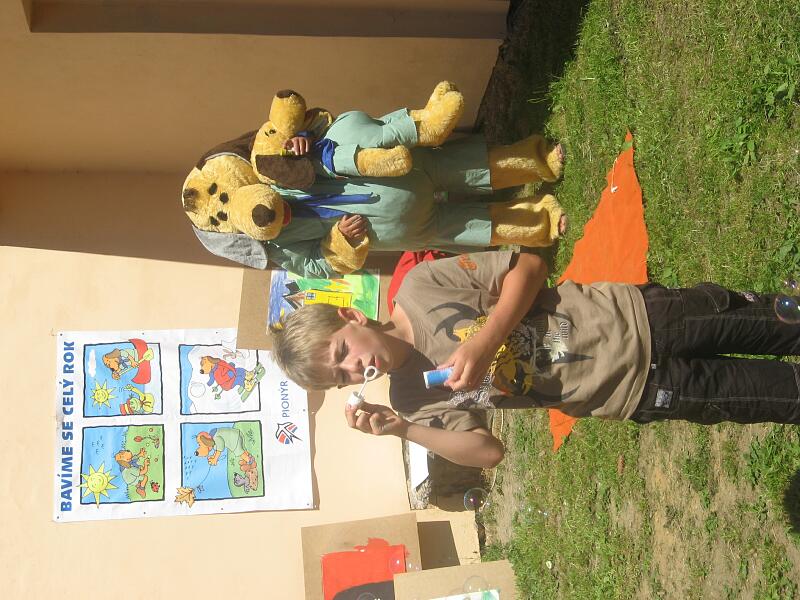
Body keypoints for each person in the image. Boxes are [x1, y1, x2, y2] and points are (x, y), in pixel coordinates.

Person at [269, 251, 800, 467]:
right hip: (631, 392)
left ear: (352, 317)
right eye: (340, 378)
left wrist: (485, 340)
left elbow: (528, 266)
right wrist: (404, 430)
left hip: (641, 317)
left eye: (342, 352)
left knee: (778, 326)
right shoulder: (411, 400)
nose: (353, 369)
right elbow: (488, 452)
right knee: (781, 397)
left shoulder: (422, 287)